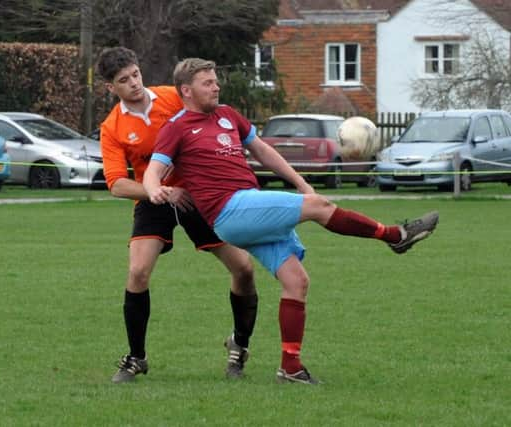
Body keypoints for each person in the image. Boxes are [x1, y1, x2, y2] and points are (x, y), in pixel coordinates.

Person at [144, 58, 439, 385]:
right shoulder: (176, 126)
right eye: (207, 83)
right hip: (229, 211)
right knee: (319, 206)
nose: (216, 87)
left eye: (215, 81)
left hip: (250, 207)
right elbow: (152, 172)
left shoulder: (228, 115)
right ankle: (394, 235)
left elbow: (265, 152)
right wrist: (157, 190)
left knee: (297, 281)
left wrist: (299, 183)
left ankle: (291, 367)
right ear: (187, 90)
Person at [97, 48, 259, 383]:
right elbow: (117, 184)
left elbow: (211, 117)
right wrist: (159, 191)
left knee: (243, 268)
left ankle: (239, 345)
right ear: (110, 87)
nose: (134, 84)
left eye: (135, 74)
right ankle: (136, 357)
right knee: (138, 272)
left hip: (199, 194)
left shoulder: (173, 98)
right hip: (153, 198)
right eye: (123, 81)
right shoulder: (112, 127)